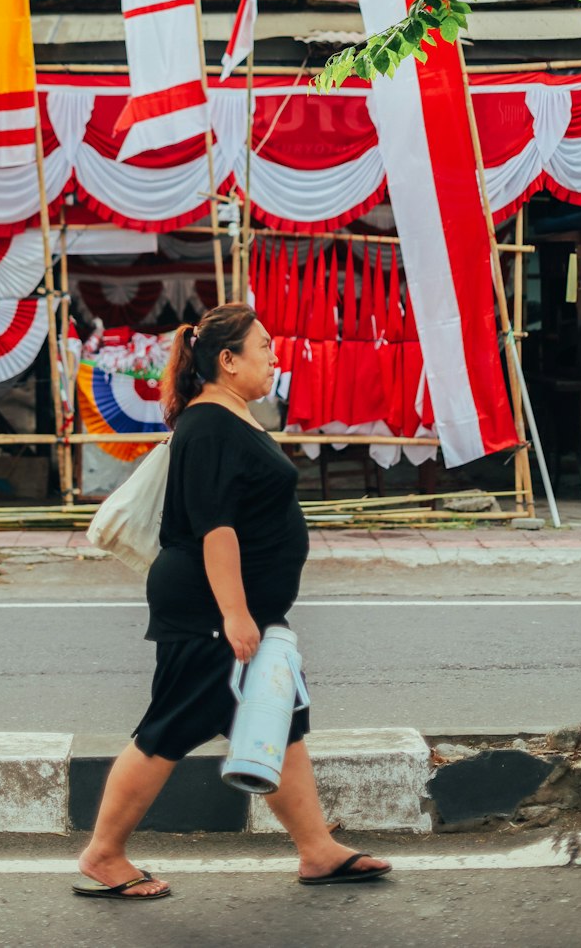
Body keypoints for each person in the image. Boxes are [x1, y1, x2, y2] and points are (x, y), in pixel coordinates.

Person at [74, 301, 392, 901]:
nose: (275, 356)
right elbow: (214, 528)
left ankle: (317, 850)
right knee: (167, 728)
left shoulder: (233, 416)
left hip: (230, 608)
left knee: (278, 722)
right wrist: (236, 614)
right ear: (227, 359)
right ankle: (103, 854)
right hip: (207, 611)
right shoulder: (211, 424)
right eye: (264, 346)